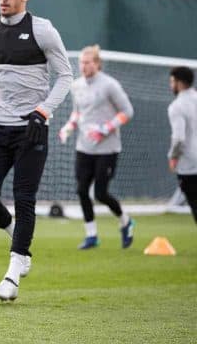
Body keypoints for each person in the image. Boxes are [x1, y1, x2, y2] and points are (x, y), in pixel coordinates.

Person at [0, 0, 73, 301]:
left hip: (31, 130)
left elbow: (65, 77)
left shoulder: (43, 31)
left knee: (24, 197)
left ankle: (13, 275)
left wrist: (43, 110)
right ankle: (20, 241)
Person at [59, 45, 135, 250]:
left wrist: (106, 128)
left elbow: (127, 111)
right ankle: (91, 235)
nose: (83, 66)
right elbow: (77, 113)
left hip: (107, 149)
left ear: (97, 64)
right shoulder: (76, 86)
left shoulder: (110, 85)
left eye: (88, 62)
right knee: (82, 190)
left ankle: (125, 221)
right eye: (81, 62)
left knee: (101, 193)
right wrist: (68, 127)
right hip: (84, 148)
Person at [167, 66, 197, 223]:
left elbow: (179, 138)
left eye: (172, 81)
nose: (170, 85)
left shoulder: (176, 106)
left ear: (178, 83)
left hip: (190, 164)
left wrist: (173, 157)